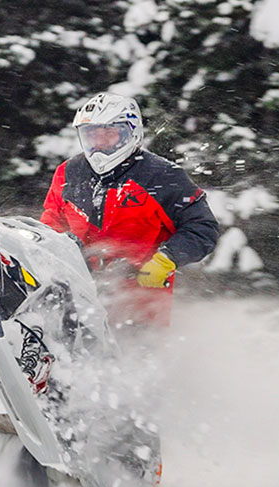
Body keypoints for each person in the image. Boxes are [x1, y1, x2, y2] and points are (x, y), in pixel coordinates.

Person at [40, 91, 220, 327]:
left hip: (139, 300)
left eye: (109, 134)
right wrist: (48, 254)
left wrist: (167, 259)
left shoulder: (162, 176)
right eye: (92, 135)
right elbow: (51, 222)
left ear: (130, 133)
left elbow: (202, 228)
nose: (100, 143)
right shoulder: (69, 172)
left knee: (131, 358)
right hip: (76, 293)